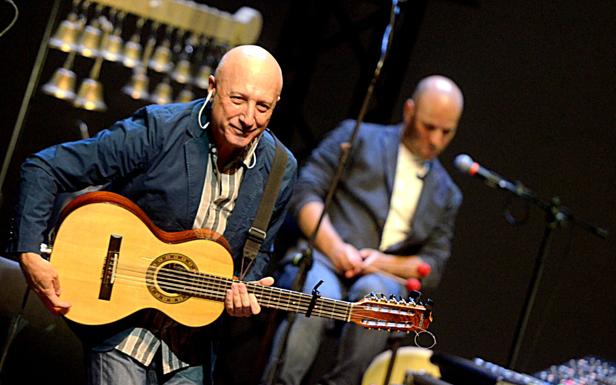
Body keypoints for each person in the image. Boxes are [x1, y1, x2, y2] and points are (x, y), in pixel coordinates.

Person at [8, 45, 297, 384]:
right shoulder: (160, 130)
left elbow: (259, 249)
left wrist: (244, 290)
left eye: (262, 106)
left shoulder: (280, 169)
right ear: (212, 87)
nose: (249, 118)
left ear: (275, 106)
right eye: (238, 99)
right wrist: (29, 251)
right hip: (120, 325)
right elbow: (44, 167)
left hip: (191, 345)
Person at [263, 75, 464, 385]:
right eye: (428, 127)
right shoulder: (359, 137)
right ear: (409, 111)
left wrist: (381, 263)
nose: (435, 140)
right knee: (320, 296)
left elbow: (432, 265)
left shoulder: (446, 193)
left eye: (446, 132)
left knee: (378, 298)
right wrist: (335, 248)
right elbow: (306, 191)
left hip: (380, 277)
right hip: (324, 258)